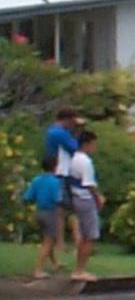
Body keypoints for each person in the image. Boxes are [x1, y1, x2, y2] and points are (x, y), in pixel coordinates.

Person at [66, 131, 105, 282]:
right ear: (87, 144)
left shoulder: (73, 159)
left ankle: (78, 268)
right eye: (93, 144)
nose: (94, 148)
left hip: (76, 198)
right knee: (91, 236)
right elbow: (89, 183)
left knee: (84, 235)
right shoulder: (85, 161)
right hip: (85, 199)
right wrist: (99, 197)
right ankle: (80, 270)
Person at [44, 107, 82, 251]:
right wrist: (77, 133)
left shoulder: (53, 131)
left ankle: (64, 242)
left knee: (62, 210)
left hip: (60, 172)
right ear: (67, 119)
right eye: (72, 122)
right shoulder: (59, 133)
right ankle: (70, 242)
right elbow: (75, 147)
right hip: (62, 173)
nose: (74, 125)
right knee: (66, 209)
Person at [22, 155, 64, 279]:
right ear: (55, 167)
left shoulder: (37, 180)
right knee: (48, 241)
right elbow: (58, 200)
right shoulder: (55, 182)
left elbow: (27, 197)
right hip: (50, 212)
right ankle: (38, 270)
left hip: (39, 212)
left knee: (47, 238)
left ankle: (55, 263)